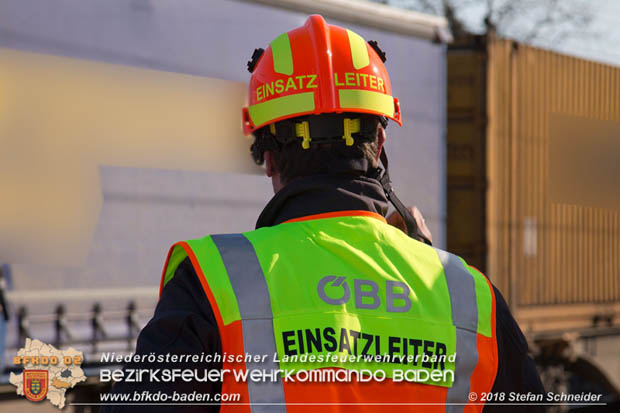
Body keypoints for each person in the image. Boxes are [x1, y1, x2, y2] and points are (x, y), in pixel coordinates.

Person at [103, 15, 544, 412]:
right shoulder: (467, 296)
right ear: (381, 144)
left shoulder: (214, 285)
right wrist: (426, 267)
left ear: (268, 158)